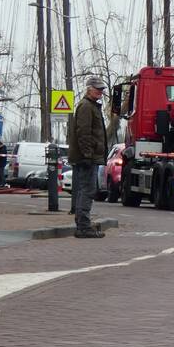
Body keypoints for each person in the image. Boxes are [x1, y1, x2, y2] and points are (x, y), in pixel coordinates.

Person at [68, 76, 108, 239]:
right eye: (97, 89)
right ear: (89, 89)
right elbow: (83, 133)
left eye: (101, 89)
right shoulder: (86, 106)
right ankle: (83, 226)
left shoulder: (91, 106)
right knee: (87, 190)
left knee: (84, 190)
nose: (100, 92)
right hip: (87, 158)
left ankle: (82, 224)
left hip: (89, 156)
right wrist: (87, 155)